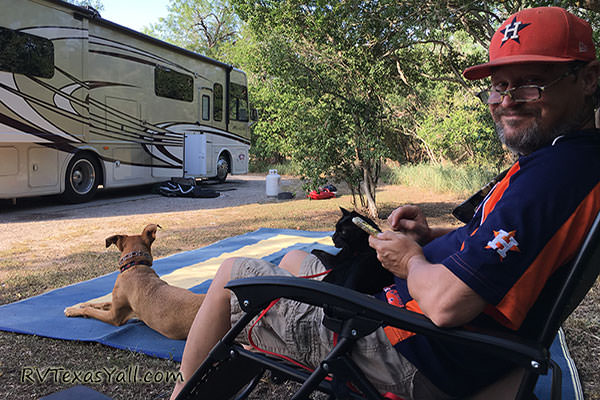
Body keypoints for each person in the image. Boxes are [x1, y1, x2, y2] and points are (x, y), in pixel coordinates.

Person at [171, 7, 600, 399]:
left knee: (234, 276)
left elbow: (449, 305)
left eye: (530, 83)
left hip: (409, 351)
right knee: (298, 259)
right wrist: (432, 237)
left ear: (588, 79)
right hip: (431, 338)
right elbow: (511, 248)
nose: (507, 100)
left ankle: (184, 395)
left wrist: (411, 261)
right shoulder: (567, 161)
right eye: (499, 86)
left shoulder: (553, 176)